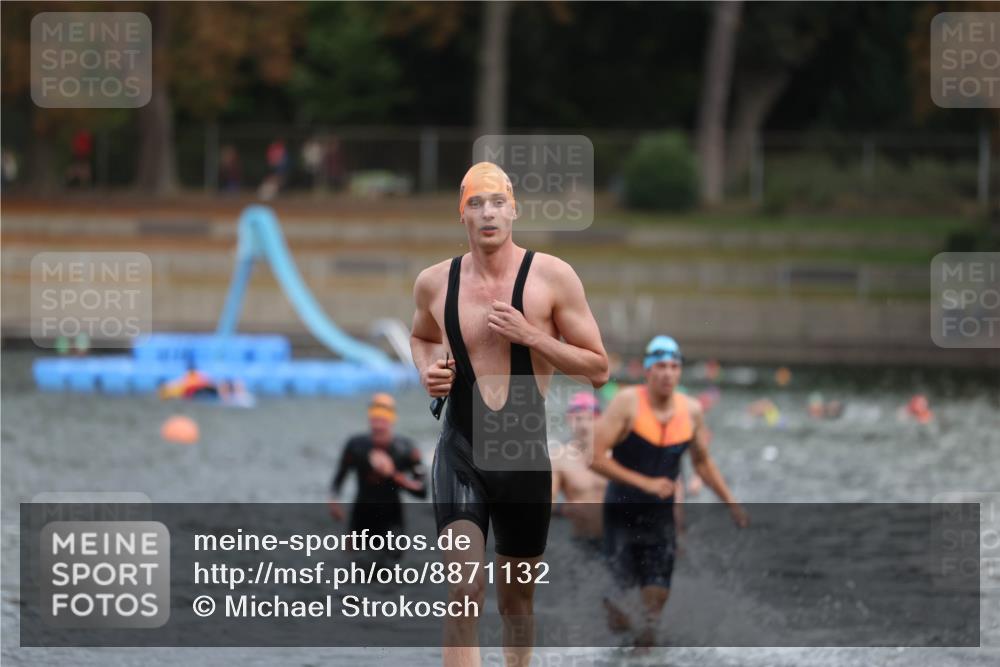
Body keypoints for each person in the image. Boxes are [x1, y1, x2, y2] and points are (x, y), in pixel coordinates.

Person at [409, 161, 609, 667]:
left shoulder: (552, 277)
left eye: (497, 202)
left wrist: (532, 336)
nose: (488, 213)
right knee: (463, 589)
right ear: (461, 215)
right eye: (476, 203)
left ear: (514, 210)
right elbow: (421, 336)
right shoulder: (434, 282)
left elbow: (598, 368)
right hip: (461, 451)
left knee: (516, 603)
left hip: (523, 457)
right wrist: (429, 370)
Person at [590, 335, 748, 647]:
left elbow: (702, 463)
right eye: (661, 366)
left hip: (660, 518)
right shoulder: (627, 403)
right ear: (648, 371)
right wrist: (645, 483)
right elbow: (593, 457)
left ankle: (644, 652)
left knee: (654, 605)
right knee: (619, 606)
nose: (667, 374)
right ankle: (621, 639)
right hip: (622, 511)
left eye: (674, 367)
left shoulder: (691, 411)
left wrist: (732, 503)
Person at [329, 393, 427, 545]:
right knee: (355, 558)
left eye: (383, 422)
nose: (379, 428)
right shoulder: (356, 446)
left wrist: (392, 474)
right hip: (361, 517)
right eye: (375, 423)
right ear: (370, 421)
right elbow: (339, 478)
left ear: (391, 421)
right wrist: (333, 501)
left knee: (390, 557)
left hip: (392, 519)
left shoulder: (407, 449)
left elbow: (422, 491)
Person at [551, 392, 607, 553]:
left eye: (590, 418)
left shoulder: (614, 455)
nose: (584, 425)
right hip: (582, 541)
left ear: (599, 420)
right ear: (569, 419)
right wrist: (563, 509)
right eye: (578, 419)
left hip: (615, 540)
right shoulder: (558, 458)